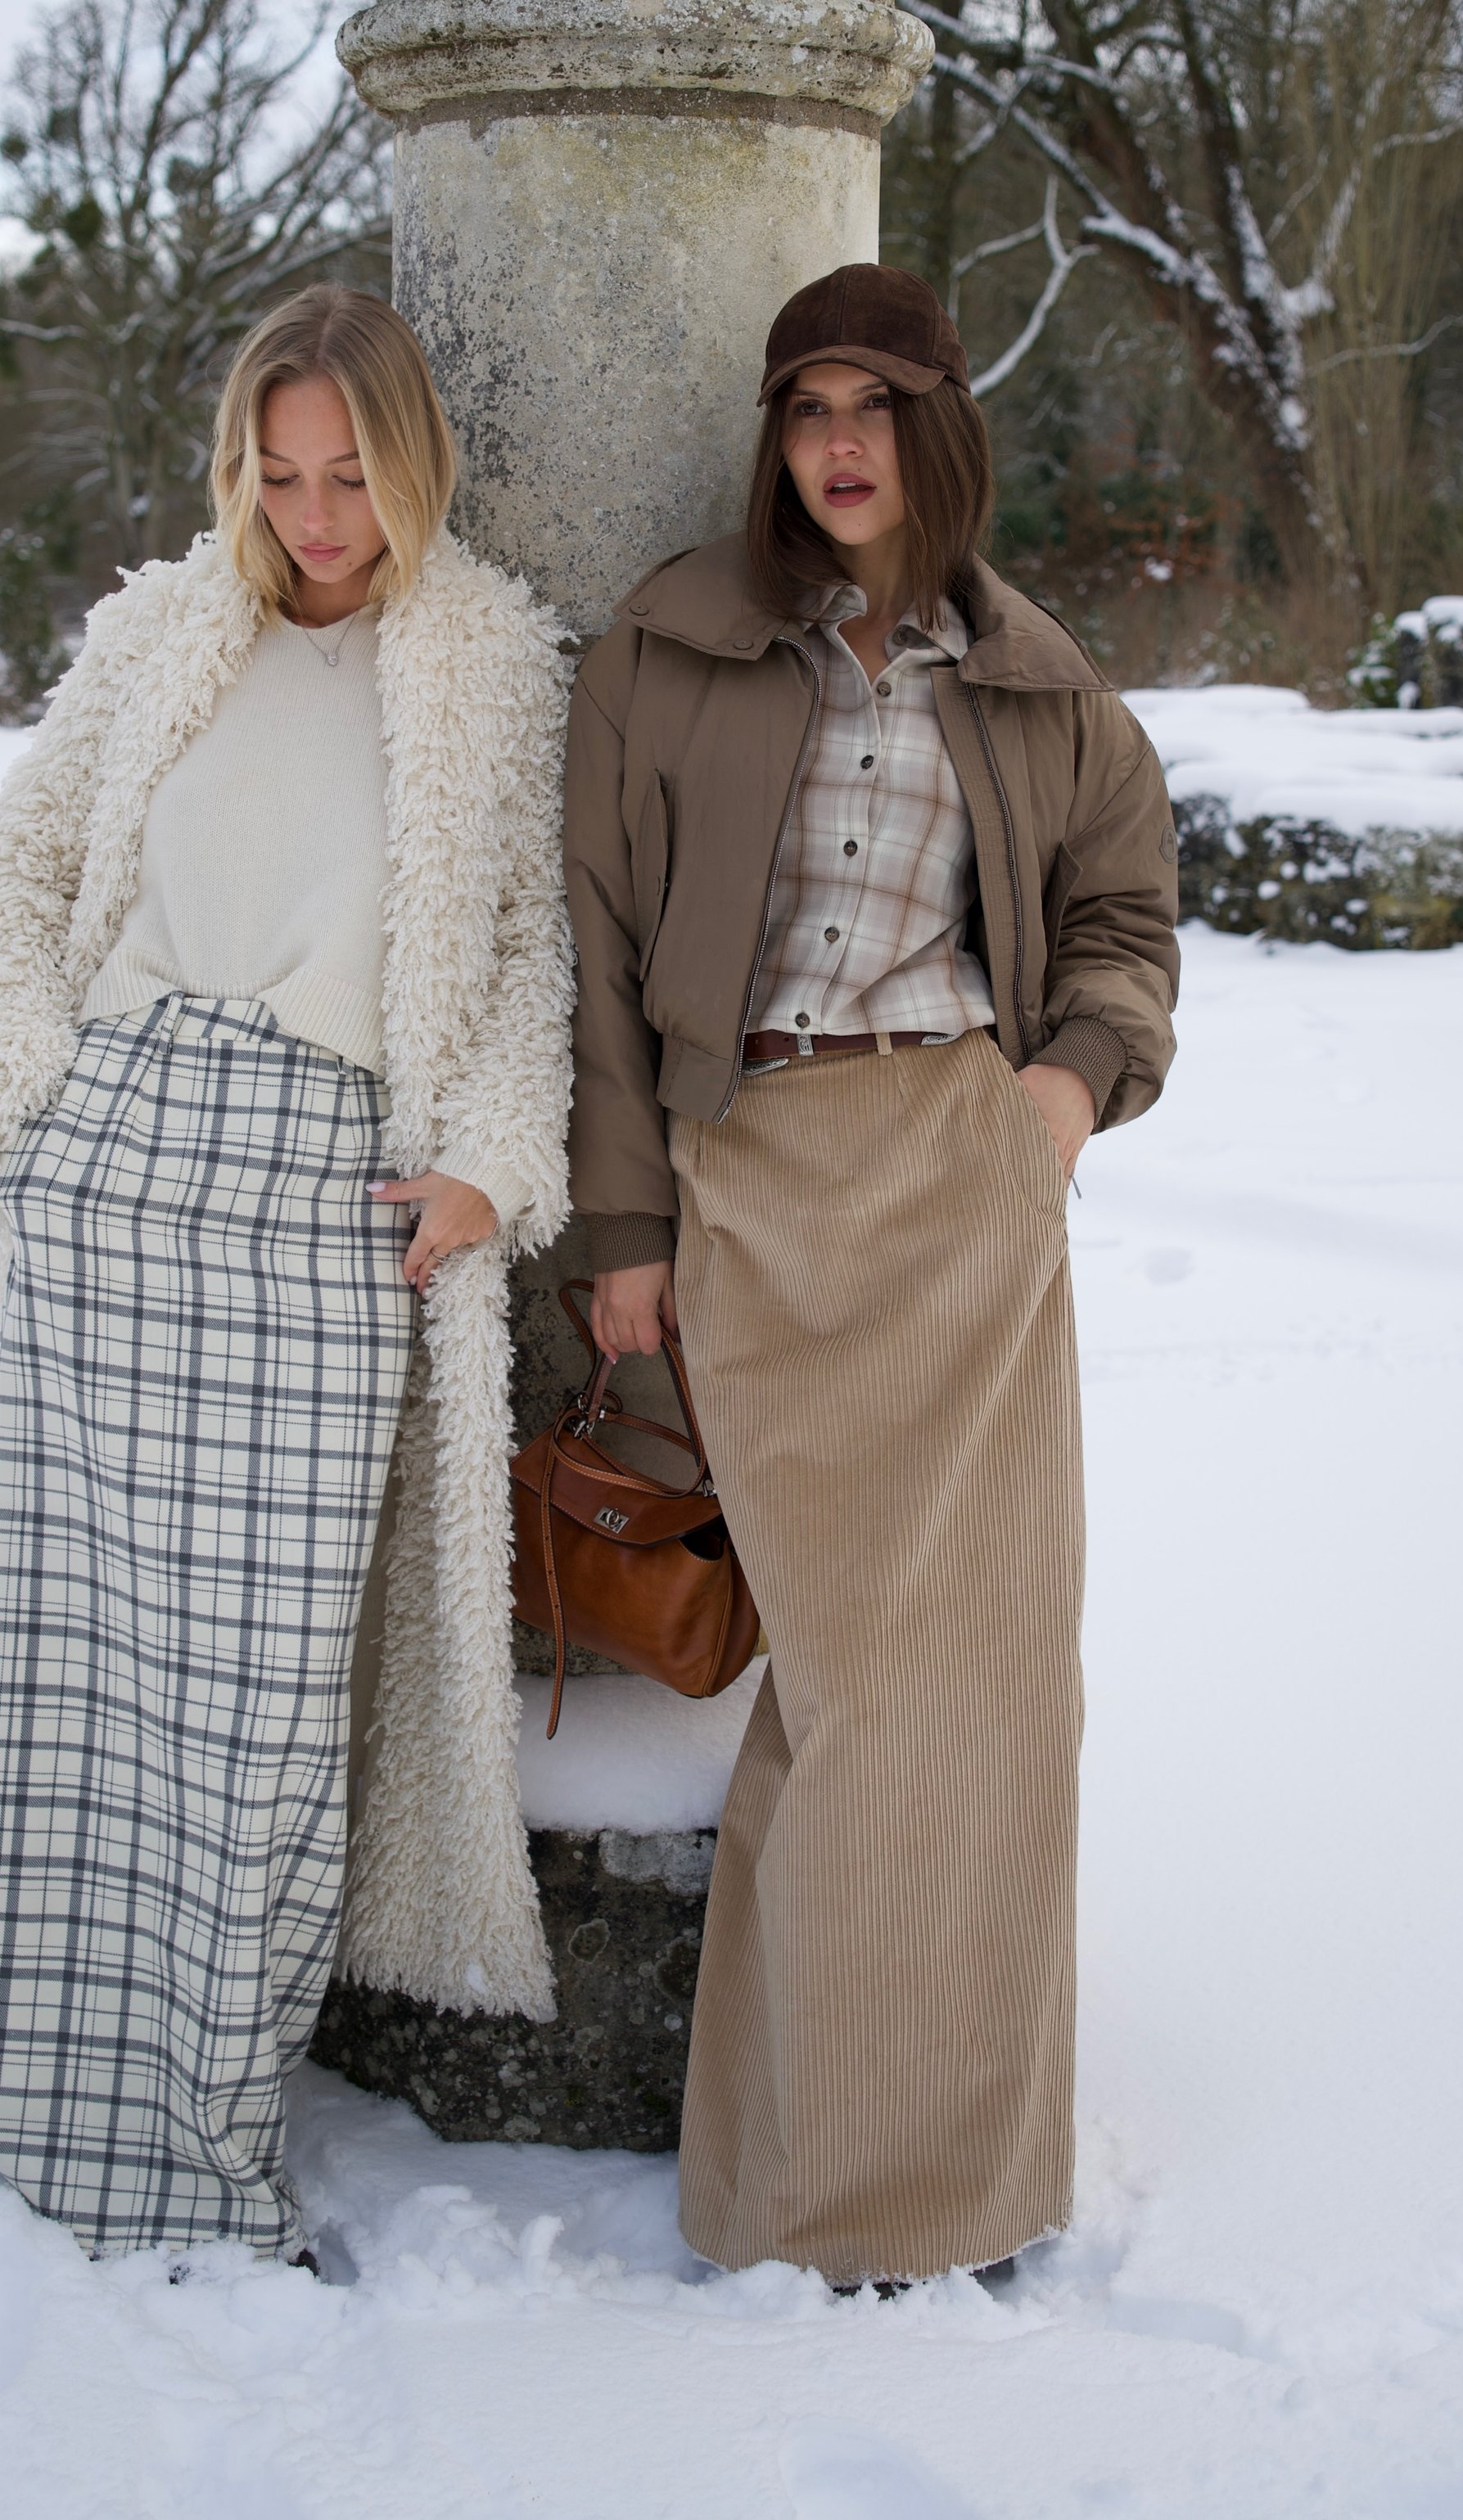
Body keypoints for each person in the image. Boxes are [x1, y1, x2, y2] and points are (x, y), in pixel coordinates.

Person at [0, 285, 572, 2263]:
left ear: (411, 459)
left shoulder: (488, 667)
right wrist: (21, 1113)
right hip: (110, 1178)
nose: (310, 513)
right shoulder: (160, 631)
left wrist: (491, 1165)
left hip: (318, 1202)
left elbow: (534, 944)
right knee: (73, 1678)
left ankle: (194, 2144)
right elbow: (5, 883)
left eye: (345, 472)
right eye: (274, 475)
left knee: (256, 1715)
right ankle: (28, 2099)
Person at [565, 263, 1181, 2287]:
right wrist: (631, 1225)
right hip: (757, 1182)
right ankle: (798, 2189)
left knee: (992, 1692)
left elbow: (1123, 912)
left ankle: (965, 2185)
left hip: (960, 1179)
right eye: (805, 405)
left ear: (939, 429)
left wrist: (1064, 1098)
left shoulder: (1030, 672)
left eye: (877, 404)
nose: (838, 443)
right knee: (836, 1689)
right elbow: (592, 956)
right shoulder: (664, 646)